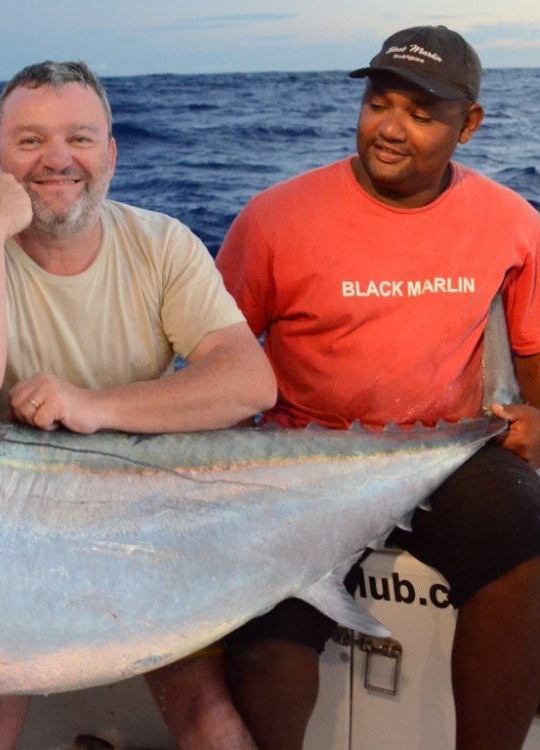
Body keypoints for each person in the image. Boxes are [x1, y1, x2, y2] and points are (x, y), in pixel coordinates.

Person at [0, 60, 276, 749]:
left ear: (111, 152)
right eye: (29, 141)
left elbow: (249, 383)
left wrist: (94, 405)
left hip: (146, 518)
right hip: (7, 536)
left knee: (203, 707)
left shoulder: (162, 244)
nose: (57, 160)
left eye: (80, 138)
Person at [216, 25, 540, 750]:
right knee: (264, 632)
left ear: (470, 126)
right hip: (304, 456)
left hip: (443, 451)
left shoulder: (513, 222)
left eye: (422, 115)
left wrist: (537, 418)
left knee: (531, 544)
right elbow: (219, 365)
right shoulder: (272, 220)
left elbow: (531, 344)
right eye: (378, 103)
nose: (391, 130)